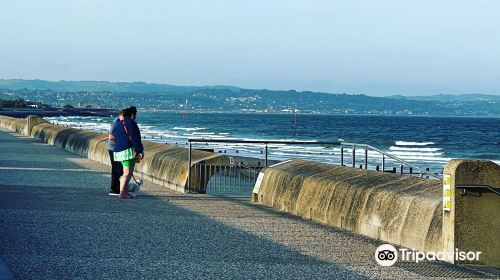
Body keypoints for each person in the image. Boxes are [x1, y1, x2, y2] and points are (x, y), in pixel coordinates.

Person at [113, 106, 144, 199]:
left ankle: (123, 191)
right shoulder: (131, 124)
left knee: (125, 172)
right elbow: (136, 138)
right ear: (132, 115)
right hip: (127, 151)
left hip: (118, 151)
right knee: (127, 173)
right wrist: (139, 150)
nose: (135, 117)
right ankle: (122, 192)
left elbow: (115, 136)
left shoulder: (118, 123)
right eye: (135, 115)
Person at [107, 110, 124, 195]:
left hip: (119, 148)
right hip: (113, 148)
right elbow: (111, 137)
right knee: (116, 169)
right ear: (120, 116)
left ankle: (119, 188)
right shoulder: (116, 122)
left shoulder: (122, 122)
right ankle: (114, 189)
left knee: (120, 169)